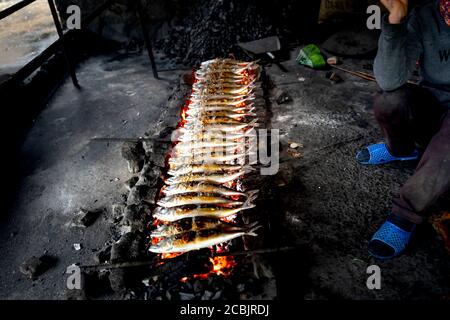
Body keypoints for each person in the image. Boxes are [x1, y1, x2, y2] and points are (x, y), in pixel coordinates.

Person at [356, 0, 450, 260]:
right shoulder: (426, 15)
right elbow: (389, 80)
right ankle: (401, 150)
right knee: (390, 100)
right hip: (433, 104)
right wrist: (396, 19)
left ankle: (405, 214)